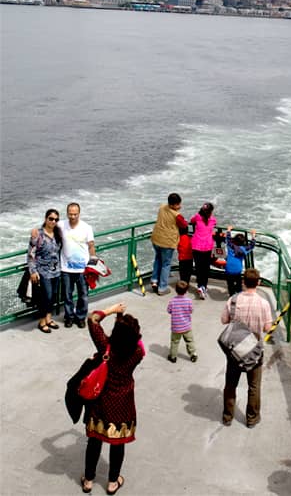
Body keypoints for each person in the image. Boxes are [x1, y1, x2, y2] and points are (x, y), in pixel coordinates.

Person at [81, 302, 144, 496]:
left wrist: (112, 311)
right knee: (117, 445)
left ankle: (89, 480)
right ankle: (112, 482)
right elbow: (137, 341)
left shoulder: (105, 347)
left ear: (115, 334)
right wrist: (123, 324)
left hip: (100, 402)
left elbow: (93, 319)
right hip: (122, 404)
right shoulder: (137, 353)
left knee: (94, 443)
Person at [220, 268, 273, 428]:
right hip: (254, 352)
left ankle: (227, 416)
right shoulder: (263, 304)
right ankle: (252, 418)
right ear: (258, 283)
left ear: (243, 282)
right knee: (254, 386)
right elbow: (267, 327)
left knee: (230, 385)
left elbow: (224, 320)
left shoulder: (233, 300)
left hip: (235, 351)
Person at [59, 202, 96, 328]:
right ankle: (68, 317)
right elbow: (47, 228)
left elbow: (91, 245)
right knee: (67, 295)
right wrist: (35, 231)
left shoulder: (87, 227)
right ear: (67, 213)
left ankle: (80, 317)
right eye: (70, 214)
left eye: (75, 214)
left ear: (79, 214)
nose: (73, 216)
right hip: (65, 268)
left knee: (83, 295)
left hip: (82, 269)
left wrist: (93, 260)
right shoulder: (61, 225)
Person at [27, 209, 63, 333]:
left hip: (56, 271)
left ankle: (48, 318)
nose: (53, 221)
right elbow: (31, 254)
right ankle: (42, 321)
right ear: (45, 219)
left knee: (52, 295)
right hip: (43, 271)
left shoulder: (58, 234)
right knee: (46, 296)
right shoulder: (38, 235)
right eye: (51, 218)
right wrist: (33, 271)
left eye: (56, 219)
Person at [150, 193, 182, 295]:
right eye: (178, 204)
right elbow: (184, 224)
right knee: (166, 264)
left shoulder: (162, 207)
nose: (179, 206)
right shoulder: (177, 215)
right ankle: (162, 288)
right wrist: (176, 212)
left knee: (158, 259)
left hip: (156, 238)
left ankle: (154, 280)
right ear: (173, 205)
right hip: (167, 242)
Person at [189, 203, 216, 299]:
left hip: (196, 245)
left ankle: (200, 286)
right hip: (207, 246)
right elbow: (213, 224)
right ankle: (204, 286)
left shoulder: (197, 217)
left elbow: (191, 220)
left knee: (198, 267)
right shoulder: (213, 220)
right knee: (206, 267)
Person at [166, 280, 197, 363]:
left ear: (176, 290)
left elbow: (169, 310)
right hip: (186, 326)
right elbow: (191, 311)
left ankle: (173, 356)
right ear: (186, 291)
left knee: (175, 342)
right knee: (189, 340)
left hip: (176, 327)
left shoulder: (172, 301)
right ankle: (193, 354)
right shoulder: (189, 301)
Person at [223, 226, 256, 296]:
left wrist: (229, 230)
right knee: (238, 282)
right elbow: (252, 245)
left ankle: (231, 294)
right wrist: (253, 235)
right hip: (238, 270)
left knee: (230, 283)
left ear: (234, 240)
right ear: (243, 242)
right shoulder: (244, 249)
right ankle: (238, 294)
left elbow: (227, 239)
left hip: (228, 269)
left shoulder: (230, 246)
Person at [176, 215, 193, 285]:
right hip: (189, 258)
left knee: (182, 273)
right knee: (188, 272)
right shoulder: (190, 239)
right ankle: (187, 283)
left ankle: (183, 283)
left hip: (182, 258)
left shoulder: (178, 239)